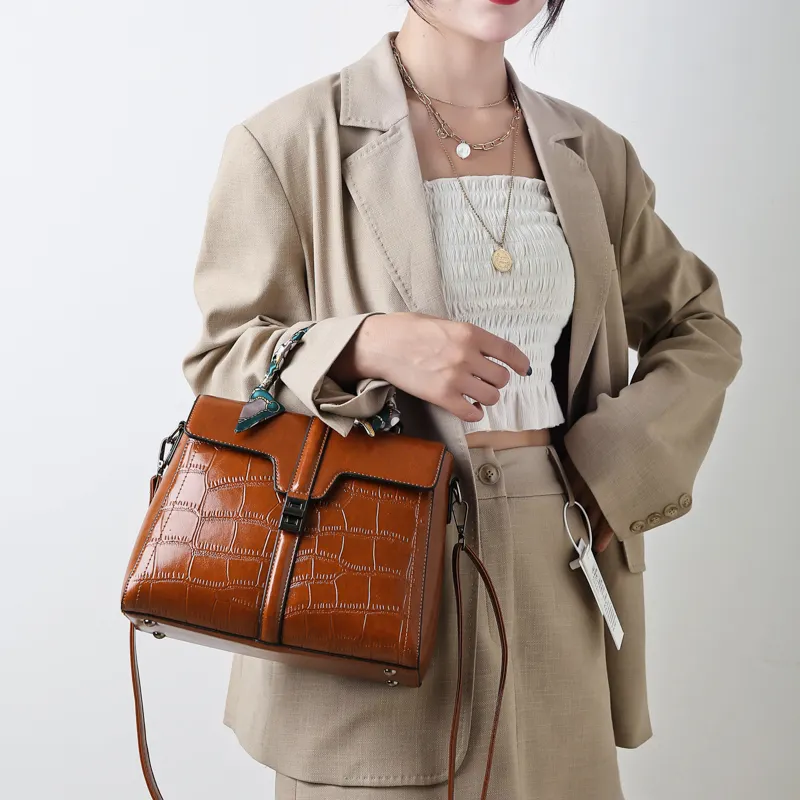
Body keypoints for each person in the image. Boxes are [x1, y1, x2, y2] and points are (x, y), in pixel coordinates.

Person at [181, 2, 743, 798]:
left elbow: (699, 326)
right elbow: (221, 360)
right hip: (367, 560)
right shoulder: (289, 141)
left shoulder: (592, 155)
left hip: (557, 560)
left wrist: (617, 468)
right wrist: (367, 342)